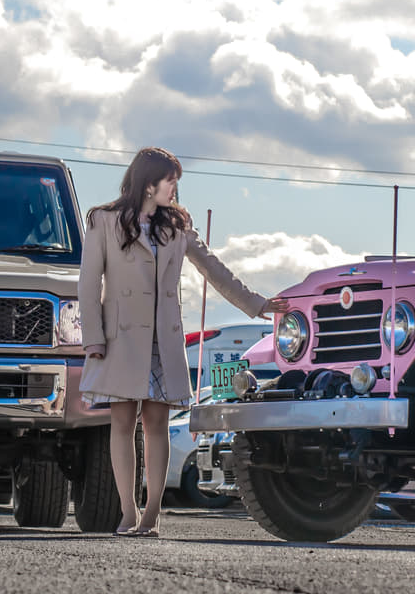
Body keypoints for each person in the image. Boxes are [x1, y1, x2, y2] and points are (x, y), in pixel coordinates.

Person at [78, 147, 287, 536]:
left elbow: (214, 269)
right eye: (170, 179)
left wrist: (257, 305)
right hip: (118, 339)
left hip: (163, 339)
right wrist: (93, 339)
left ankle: (152, 514)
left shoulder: (177, 227)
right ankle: (127, 512)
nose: (175, 188)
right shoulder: (103, 221)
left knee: (156, 422)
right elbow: (88, 285)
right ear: (148, 182)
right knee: (122, 422)